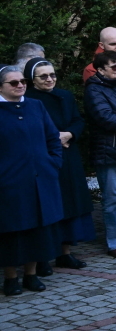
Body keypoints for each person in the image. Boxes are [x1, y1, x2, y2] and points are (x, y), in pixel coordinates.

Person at [0, 64, 62, 294]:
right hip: (9, 183)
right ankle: (10, 277)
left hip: (40, 179)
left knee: (38, 229)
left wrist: (52, 164)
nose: (20, 86)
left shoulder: (36, 105)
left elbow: (52, 138)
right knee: (11, 232)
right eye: (13, 83)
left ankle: (31, 274)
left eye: (22, 82)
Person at [24, 59, 92, 268]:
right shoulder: (28, 100)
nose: (49, 79)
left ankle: (65, 252)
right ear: (32, 79)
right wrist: (54, 138)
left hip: (68, 154)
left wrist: (70, 134)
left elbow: (78, 119)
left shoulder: (65, 95)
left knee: (69, 204)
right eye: (43, 76)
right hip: (44, 157)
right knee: (46, 207)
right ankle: (42, 257)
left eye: (52, 75)